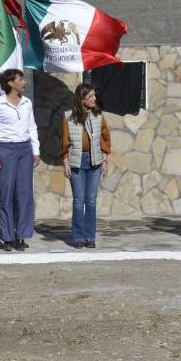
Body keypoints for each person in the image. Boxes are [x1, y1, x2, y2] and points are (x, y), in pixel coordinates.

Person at [0, 69, 40, 252]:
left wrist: (35, 150)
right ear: (10, 83)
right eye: (20, 79)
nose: (24, 81)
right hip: (5, 149)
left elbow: (32, 127)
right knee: (6, 193)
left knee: (24, 194)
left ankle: (21, 235)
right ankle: (8, 236)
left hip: (25, 149)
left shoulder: (27, 103)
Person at [60, 83, 111, 248]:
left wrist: (105, 161)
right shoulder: (68, 117)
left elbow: (105, 139)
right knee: (78, 201)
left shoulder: (99, 116)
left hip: (95, 162)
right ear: (82, 99)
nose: (94, 98)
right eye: (91, 96)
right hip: (77, 162)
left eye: (94, 95)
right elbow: (65, 142)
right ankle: (77, 237)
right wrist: (65, 162)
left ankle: (90, 237)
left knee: (91, 201)